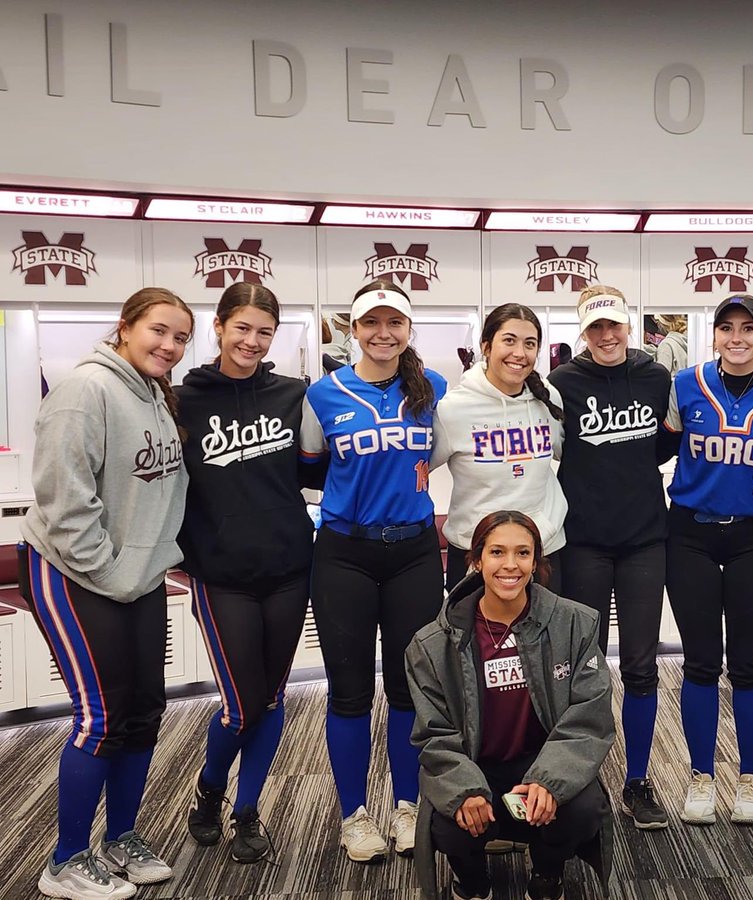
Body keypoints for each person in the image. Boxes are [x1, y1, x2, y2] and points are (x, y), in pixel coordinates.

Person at [18, 288, 194, 900]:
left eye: (179, 338)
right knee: (100, 716)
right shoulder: (83, 391)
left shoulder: (151, 393)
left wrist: (152, 567)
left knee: (145, 712)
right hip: (73, 573)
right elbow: (67, 506)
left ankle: (121, 838)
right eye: (158, 332)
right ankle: (64, 860)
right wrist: (116, 575)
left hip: (135, 578)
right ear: (125, 327)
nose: (169, 346)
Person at [174, 283, 324, 863]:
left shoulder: (294, 394)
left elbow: (318, 470)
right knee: (241, 703)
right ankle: (211, 789)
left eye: (264, 332)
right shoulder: (182, 400)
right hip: (221, 576)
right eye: (242, 328)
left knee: (272, 696)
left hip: (289, 567)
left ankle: (247, 809)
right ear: (218, 327)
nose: (252, 341)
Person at [300, 279, 447, 862]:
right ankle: (354, 815)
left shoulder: (432, 387)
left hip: (412, 551)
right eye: (371, 324)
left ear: (408, 331)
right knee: (349, 691)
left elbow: (432, 455)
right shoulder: (323, 393)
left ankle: (408, 807)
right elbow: (311, 468)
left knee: (411, 688)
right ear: (352, 329)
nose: (382, 334)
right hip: (344, 554)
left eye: (394, 324)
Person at [406, 510, 614, 900]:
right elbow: (434, 733)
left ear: (536, 563)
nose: (510, 565)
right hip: (476, 764)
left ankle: (547, 876)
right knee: (448, 820)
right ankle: (472, 881)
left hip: (543, 761)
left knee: (583, 809)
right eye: (497, 552)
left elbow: (591, 715)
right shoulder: (431, 645)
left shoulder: (576, 624)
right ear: (476, 560)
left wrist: (549, 780)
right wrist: (464, 788)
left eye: (522, 553)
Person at [662, 294, 753, 827]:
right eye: (727, 328)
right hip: (691, 534)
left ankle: (751, 777)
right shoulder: (685, 384)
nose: (737, 338)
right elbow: (657, 448)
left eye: (749, 328)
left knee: (747, 663)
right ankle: (700, 774)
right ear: (713, 334)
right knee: (699, 662)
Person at [548, 284, 673, 830]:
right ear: (583, 330)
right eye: (595, 327)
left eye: (614, 326)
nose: (605, 336)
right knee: (586, 666)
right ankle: (585, 777)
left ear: (629, 325)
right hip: (585, 544)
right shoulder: (561, 385)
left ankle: (639, 780)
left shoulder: (654, 377)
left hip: (646, 539)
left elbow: (665, 446)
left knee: (643, 666)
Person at [432, 303, 566, 593]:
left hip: (542, 552)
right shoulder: (454, 409)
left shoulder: (548, 398)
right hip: (476, 557)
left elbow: (563, 453)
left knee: (546, 640)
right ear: (486, 346)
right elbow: (417, 469)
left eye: (530, 344)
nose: (520, 353)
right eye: (509, 340)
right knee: (475, 640)